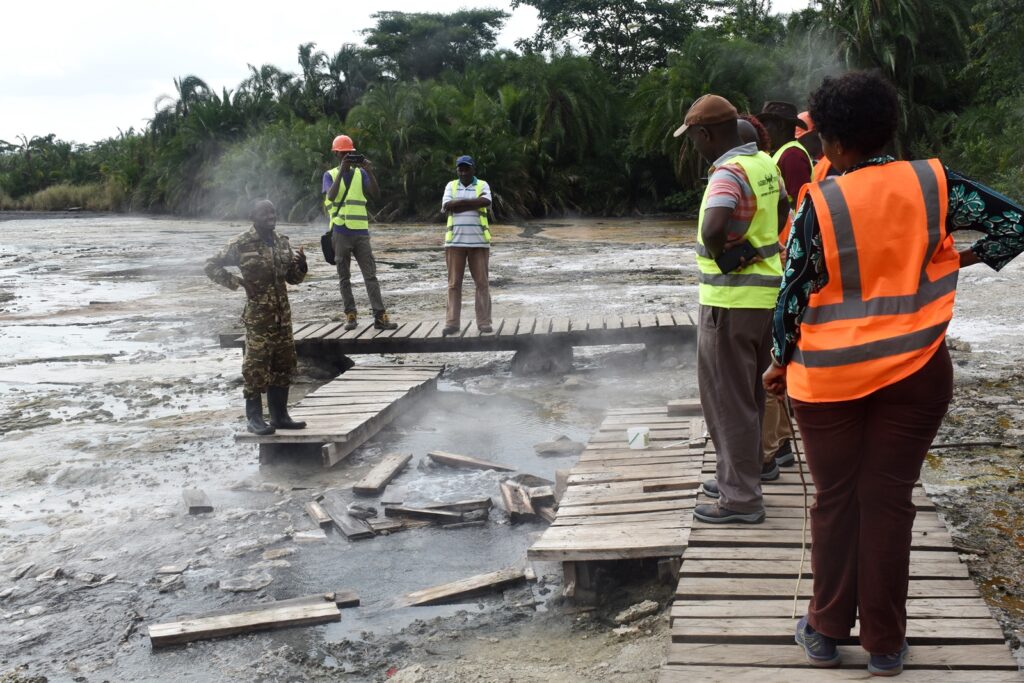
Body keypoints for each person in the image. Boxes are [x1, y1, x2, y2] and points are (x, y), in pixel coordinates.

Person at [762, 71, 1024, 676]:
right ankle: (885, 644)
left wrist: (779, 362)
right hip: (917, 369)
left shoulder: (820, 203)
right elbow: (1015, 224)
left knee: (835, 501)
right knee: (887, 501)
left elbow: (793, 293)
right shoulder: (933, 184)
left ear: (830, 142)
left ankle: (826, 630)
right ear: (889, 128)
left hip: (828, 379)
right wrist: (962, 256)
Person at [673, 94, 789, 524]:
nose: (694, 146)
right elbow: (782, 208)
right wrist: (756, 250)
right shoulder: (764, 164)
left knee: (728, 401)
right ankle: (750, 469)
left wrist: (727, 254)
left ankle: (739, 498)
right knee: (754, 395)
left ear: (706, 134)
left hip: (730, 302)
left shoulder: (727, 173)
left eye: (694, 138)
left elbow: (714, 226)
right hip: (765, 299)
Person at [206, 200, 308, 434]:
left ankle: (280, 417)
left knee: (283, 365)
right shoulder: (241, 244)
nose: (270, 216)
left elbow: (292, 279)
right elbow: (211, 265)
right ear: (253, 216)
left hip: (283, 317)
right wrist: (237, 283)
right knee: (256, 367)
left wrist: (302, 267)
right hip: (259, 318)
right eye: (265, 212)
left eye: (272, 212)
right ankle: (254, 419)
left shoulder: (283, 242)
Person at [323, 134, 397, 331]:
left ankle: (380, 317)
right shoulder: (329, 174)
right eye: (344, 153)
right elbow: (330, 195)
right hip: (340, 232)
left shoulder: (360, 174)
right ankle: (351, 316)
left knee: (370, 276)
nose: (347, 155)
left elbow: (376, 194)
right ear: (337, 154)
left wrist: (369, 170)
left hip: (361, 232)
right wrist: (342, 171)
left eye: (350, 153)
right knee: (344, 277)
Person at [440, 155, 494, 335]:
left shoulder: (482, 185)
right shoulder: (450, 185)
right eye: (460, 169)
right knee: (454, 284)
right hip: (454, 243)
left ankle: (484, 322)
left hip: (479, 243)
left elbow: (485, 202)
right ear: (457, 170)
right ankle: (452, 323)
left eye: (466, 168)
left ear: (473, 169)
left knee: (482, 283)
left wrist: (459, 203)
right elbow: (447, 206)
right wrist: (472, 203)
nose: (463, 172)